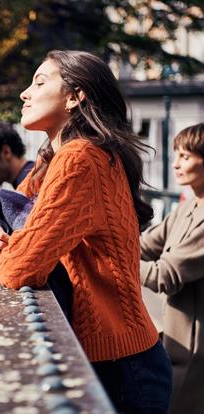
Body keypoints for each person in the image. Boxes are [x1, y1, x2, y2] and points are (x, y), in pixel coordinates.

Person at [0, 50, 172, 413]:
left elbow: (19, 267)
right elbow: (6, 217)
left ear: (74, 97)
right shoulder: (57, 160)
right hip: (125, 355)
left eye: (39, 82)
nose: (25, 93)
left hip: (122, 367)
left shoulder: (79, 160)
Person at [140, 123, 204, 414]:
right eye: (176, 155)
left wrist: (107, 259)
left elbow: (164, 275)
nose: (176, 164)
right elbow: (144, 245)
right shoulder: (188, 206)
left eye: (186, 156)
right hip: (177, 342)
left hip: (195, 351)